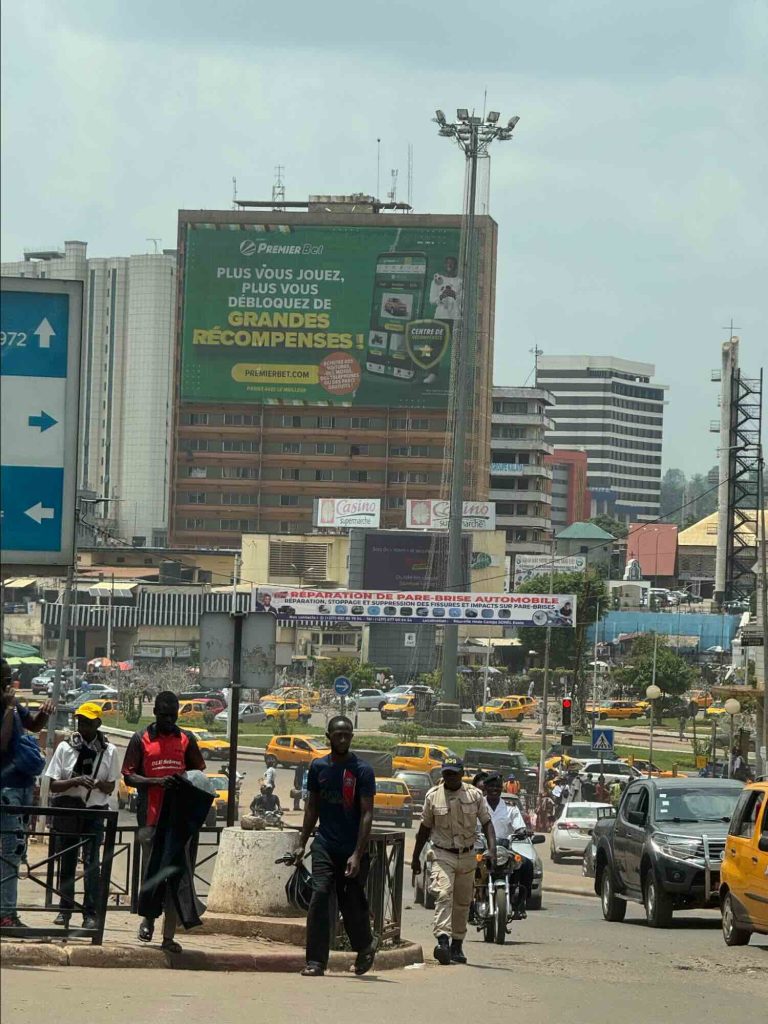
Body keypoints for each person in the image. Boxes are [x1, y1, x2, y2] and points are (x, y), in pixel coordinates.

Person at [292, 716, 378, 978]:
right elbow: (312, 807)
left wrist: (357, 854)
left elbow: (367, 813)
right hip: (325, 844)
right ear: (328, 736)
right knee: (319, 895)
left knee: (350, 901)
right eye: (338, 734)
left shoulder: (362, 770)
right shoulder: (318, 767)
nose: (342, 739)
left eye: (347, 734)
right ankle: (316, 961)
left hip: (352, 847)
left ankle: (365, 946)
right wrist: (301, 843)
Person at [121, 691, 206, 952]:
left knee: (175, 878)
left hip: (179, 823)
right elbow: (129, 776)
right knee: (153, 875)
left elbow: (198, 774)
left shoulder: (186, 739)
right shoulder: (141, 739)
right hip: (151, 820)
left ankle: (169, 936)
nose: (169, 720)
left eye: (173, 715)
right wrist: (156, 781)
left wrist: (182, 783)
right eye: (164, 715)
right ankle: (147, 919)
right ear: (155, 713)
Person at [412, 757, 496, 966]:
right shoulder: (433, 796)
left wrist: (492, 850)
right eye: (446, 773)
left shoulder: (474, 795)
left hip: (467, 854)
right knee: (443, 893)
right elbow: (424, 829)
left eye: (454, 773)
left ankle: (457, 945)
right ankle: (443, 941)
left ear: (462, 774)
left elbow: (487, 823)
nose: (450, 777)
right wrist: (415, 857)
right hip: (442, 853)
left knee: (462, 901)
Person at [44, 702, 120, 928]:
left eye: (88, 722)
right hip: (69, 809)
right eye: (80, 721)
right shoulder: (65, 747)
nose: (83, 726)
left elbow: (111, 786)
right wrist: (75, 781)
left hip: (94, 811)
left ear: (98, 724)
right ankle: (64, 909)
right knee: (67, 861)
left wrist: (97, 783)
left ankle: (90, 913)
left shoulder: (109, 751)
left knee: (91, 862)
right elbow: (53, 785)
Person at [1, 658, 53, 927]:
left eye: (9, 678)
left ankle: (7, 911)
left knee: (17, 851)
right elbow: (2, 743)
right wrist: (9, 707)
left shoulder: (12, 705)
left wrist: (44, 713)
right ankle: (6, 915)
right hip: (6, 787)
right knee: (10, 851)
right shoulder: (7, 706)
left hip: (22, 784)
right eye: (4, 679)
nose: (9, 683)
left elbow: (33, 725)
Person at [482, 773, 533, 918]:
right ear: (485, 788)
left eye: (497, 787)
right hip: (483, 849)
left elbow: (519, 826)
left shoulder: (511, 809)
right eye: (491, 786)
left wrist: (522, 831)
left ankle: (520, 903)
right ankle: (470, 903)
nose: (494, 789)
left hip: (504, 850)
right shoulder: (478, 806)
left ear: (502, 788)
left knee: (527, 865)